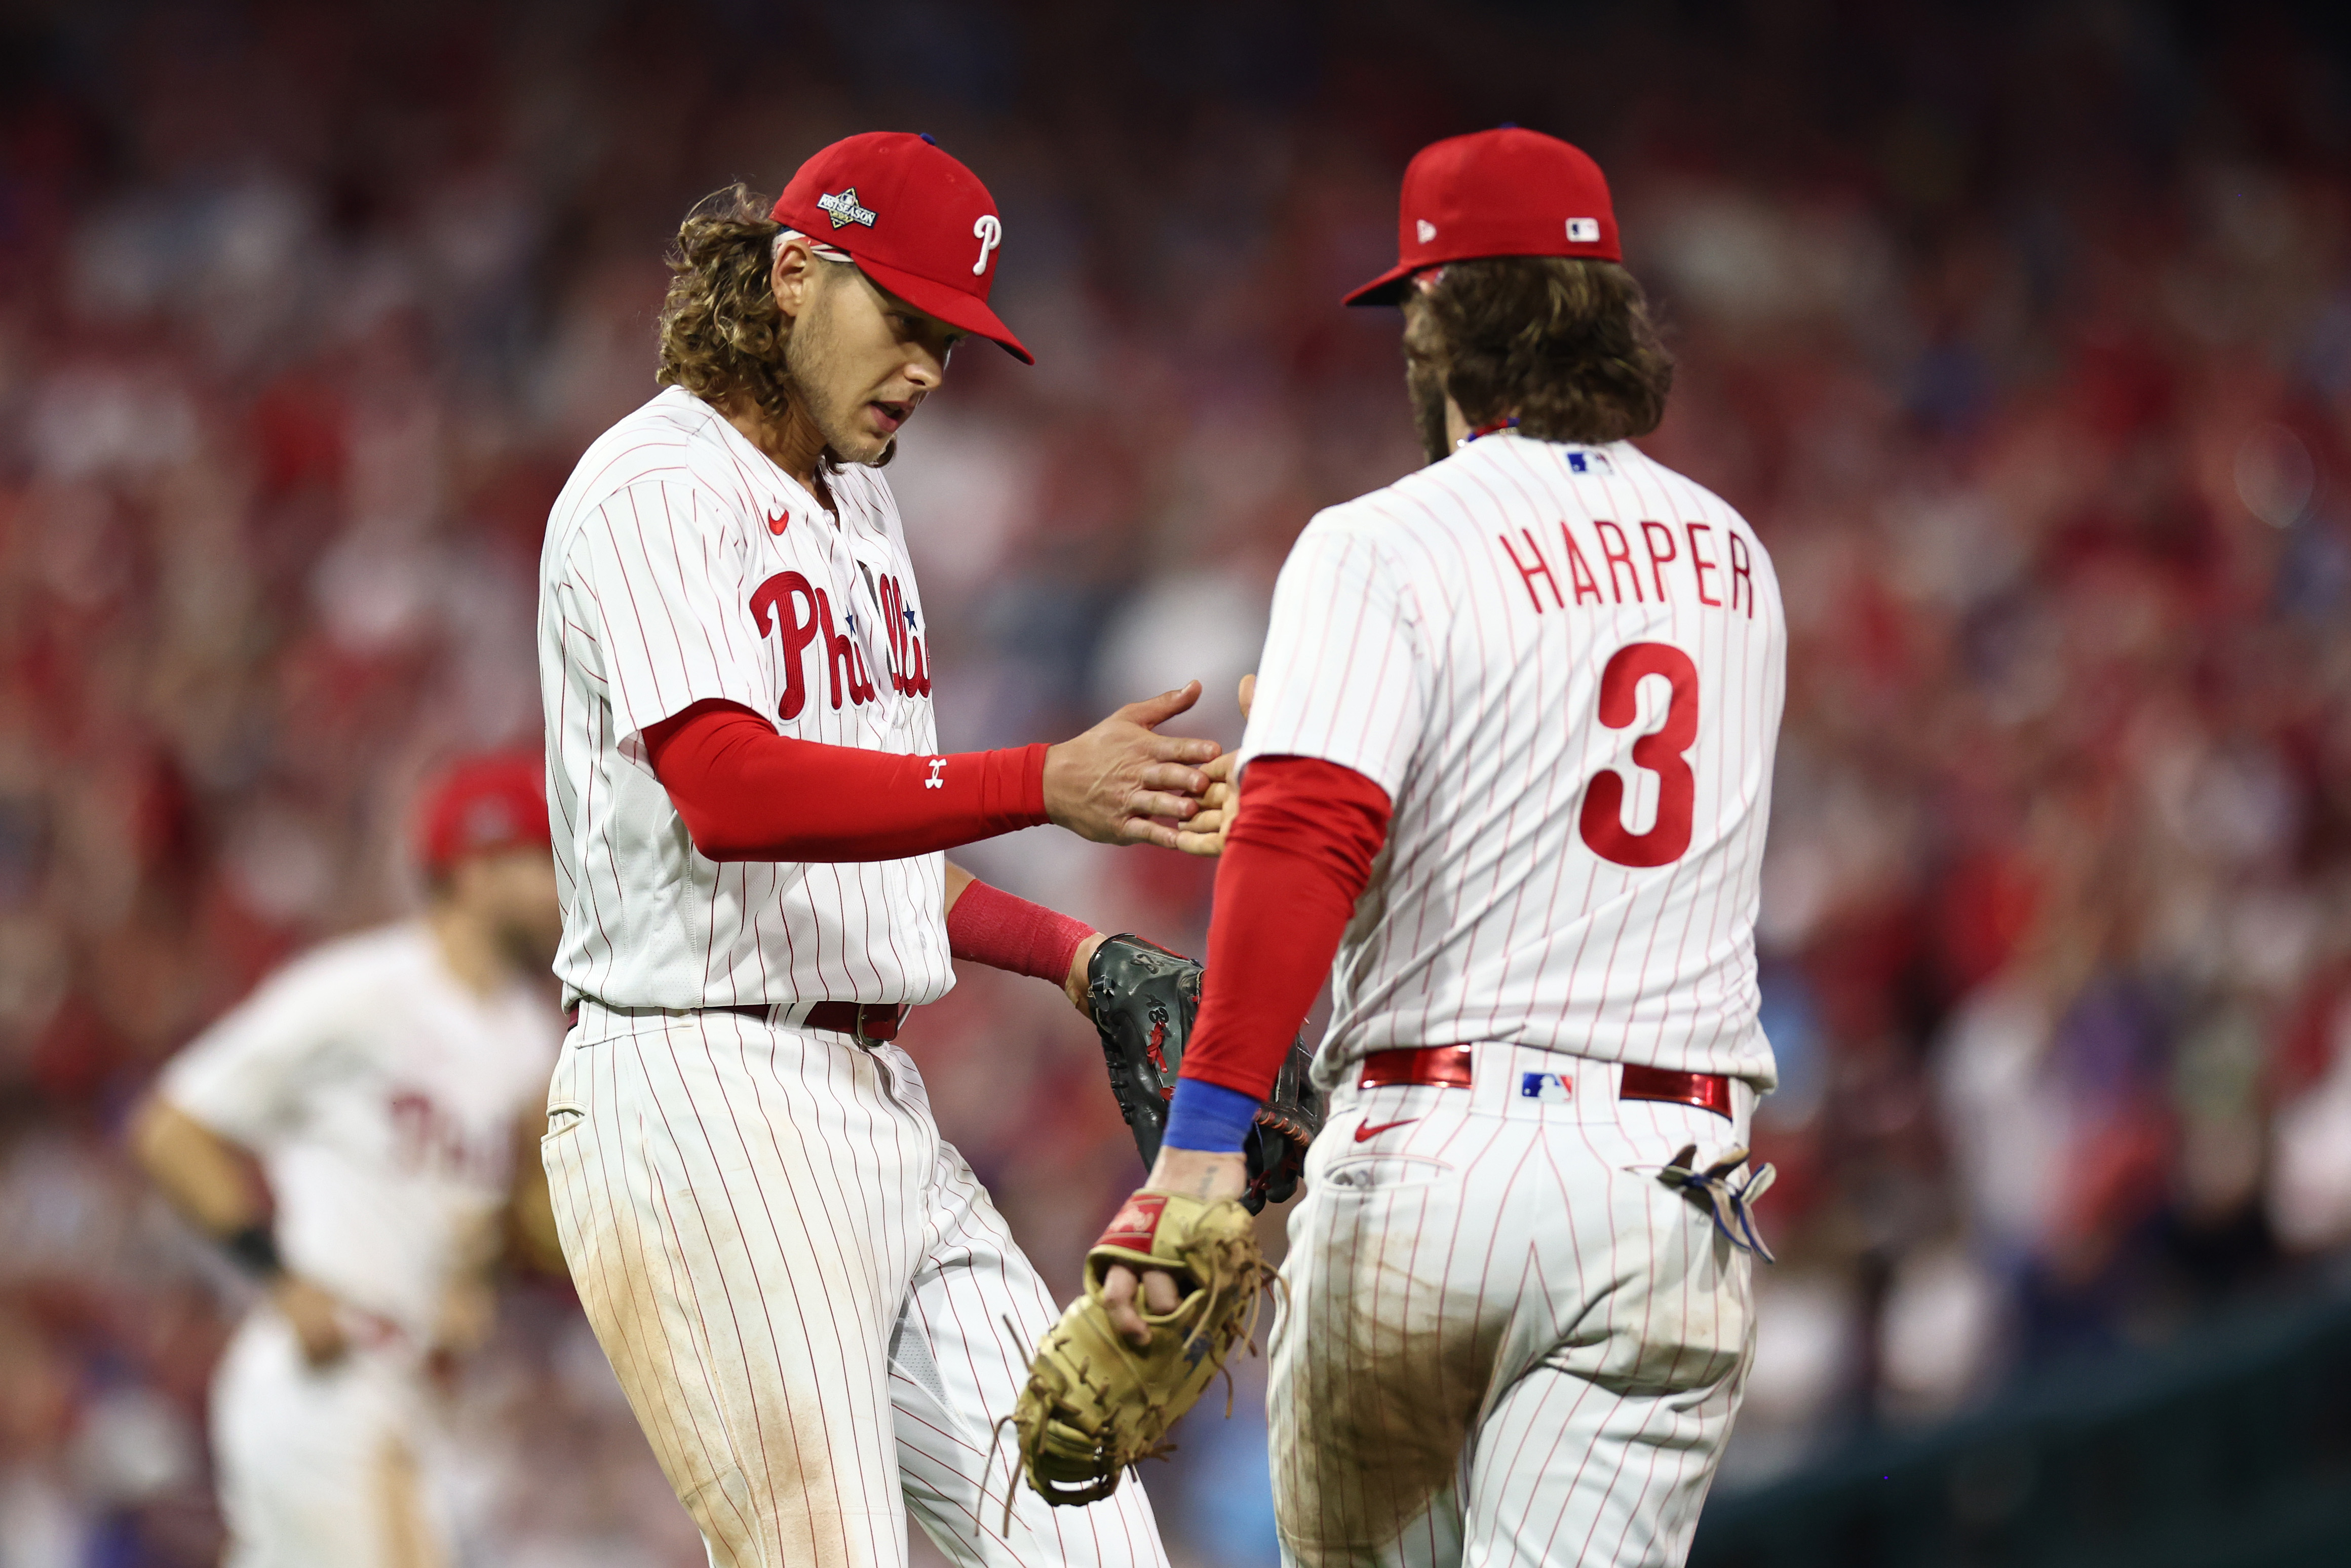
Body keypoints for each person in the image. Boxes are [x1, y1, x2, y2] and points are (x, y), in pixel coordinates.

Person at [1102, 127, 1789, 1567]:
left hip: (1432, 1161)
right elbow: (1564, 813)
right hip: (1668, 1176)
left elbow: (1307, 837)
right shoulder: (1733, 556)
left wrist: (1202, 1149)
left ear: (1444, 322)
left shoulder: (1382, 542)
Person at [534, 131, 1215, 1568]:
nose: (929, 369)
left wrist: (1075, 956)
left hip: (876, 1100)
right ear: (793, 276)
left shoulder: (865, 499)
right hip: (700, 1092)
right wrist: (1045, 780)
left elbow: (860, 826)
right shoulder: (653, 487)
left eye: (953, 338)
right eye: (907, 322)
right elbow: (730, 791)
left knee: (1099, 1552)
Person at [130, 755, 568, 1568]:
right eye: (539, 859)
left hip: (424, 1390)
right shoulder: (363, 991)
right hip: (328, 1376)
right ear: (473, 869)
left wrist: (527, 1229)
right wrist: (280, 1277)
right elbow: (172, 1127)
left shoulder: (528, 1035)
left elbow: (513, 1226)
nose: (558, 885)